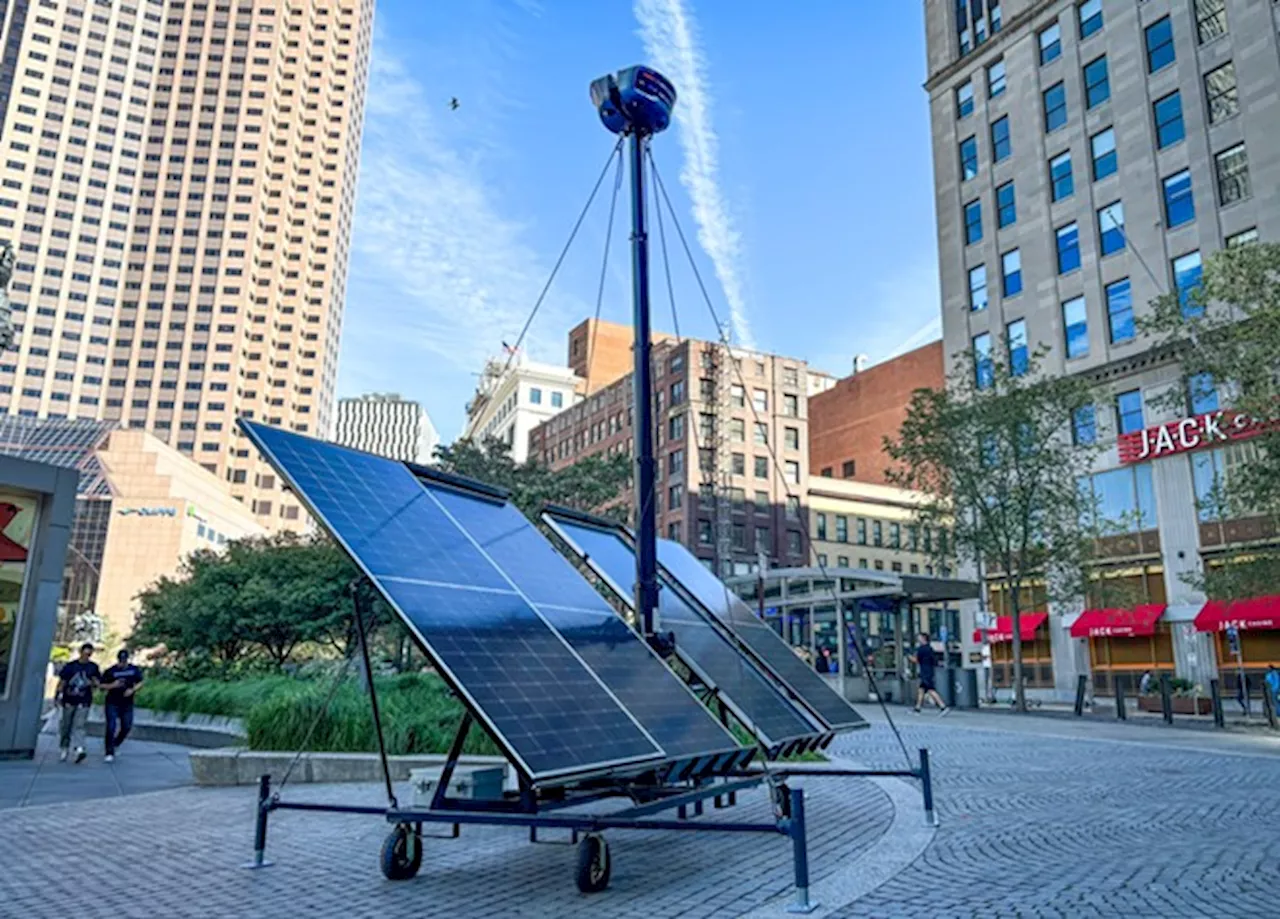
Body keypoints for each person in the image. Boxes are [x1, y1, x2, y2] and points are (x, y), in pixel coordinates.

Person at [56, 643, 100, 763]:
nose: (87, 656)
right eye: (85, 653)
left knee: (79, 725)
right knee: (66, 725)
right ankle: (64, 747)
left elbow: (97, 681)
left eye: (89, 654)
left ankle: (79, 748)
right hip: (69, 699)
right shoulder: (71, 666)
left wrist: (94, 683)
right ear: (81, 652)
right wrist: (58, 695)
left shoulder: (93, 667)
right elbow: (63, 681)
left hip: (84, 700)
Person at [100, 648, 143, 762]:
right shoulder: (111, 671)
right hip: (112, 702)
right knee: (111, 726)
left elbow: (140, 682)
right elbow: (101, 685)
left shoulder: (133, 670)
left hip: (127, 703)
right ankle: (109, 751)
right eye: (120, 661)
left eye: (124, 661)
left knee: (127, 726)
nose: (122, 663)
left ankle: (116, 743)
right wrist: (112, 685)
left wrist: (132, 690)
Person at [911, 632, 949, 716]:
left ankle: (943, 706)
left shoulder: (921, 649)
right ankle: (917, 708)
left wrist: (910, 658)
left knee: (930, 690)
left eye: (920, 637)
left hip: (924, 672)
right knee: (921, 690)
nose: (918, 639)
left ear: (923, 639)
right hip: (929, 671)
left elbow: (917, 660)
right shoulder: (930, 648)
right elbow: (934, 661)